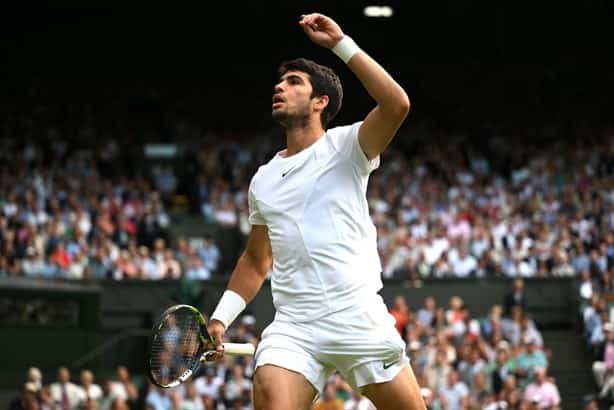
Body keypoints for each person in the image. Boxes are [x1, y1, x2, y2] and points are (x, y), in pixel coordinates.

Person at [207, 12, 422, 410]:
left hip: (357, 314)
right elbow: (256, 260)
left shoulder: (347, 147)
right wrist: (221, 319)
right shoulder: (264, 179)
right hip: (295, 325)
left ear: (320, 101)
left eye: (294, 82)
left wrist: (341, 44)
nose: (279, 86)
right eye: (280, 81)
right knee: (270, 393)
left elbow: (396, 104)